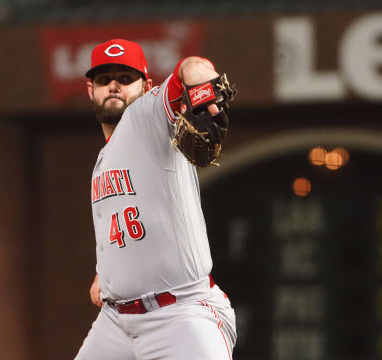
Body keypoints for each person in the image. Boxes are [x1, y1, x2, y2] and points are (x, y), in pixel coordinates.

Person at [74, 39, 236, 360]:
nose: (115, 86)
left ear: (147, 85)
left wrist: (202, 86)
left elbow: (192, 67)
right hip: (116, 321)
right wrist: (105, 274)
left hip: (180, 315)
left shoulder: (147, 116)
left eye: (125, 78)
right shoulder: (104, 158)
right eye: (105, 80)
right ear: (90, 89)